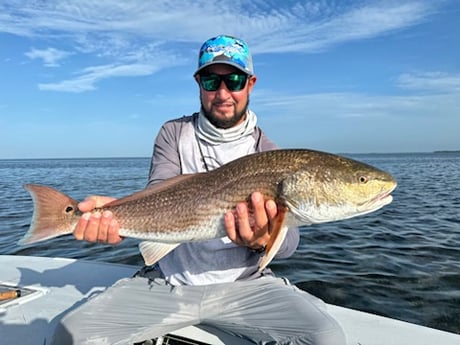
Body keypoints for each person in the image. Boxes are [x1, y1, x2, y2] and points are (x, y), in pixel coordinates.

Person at [50, 35, 346, 344]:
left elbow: (289, 243)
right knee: (70, 335)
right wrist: (114, 215)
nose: (222, 93)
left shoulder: (269, 154)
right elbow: (159, 194)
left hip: (246, 286)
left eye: (233, 80)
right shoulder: (174, 133)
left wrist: (262, 241)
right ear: (198, 82)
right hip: (167, 283)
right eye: (210, 81)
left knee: (327, 339)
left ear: (251, 83)